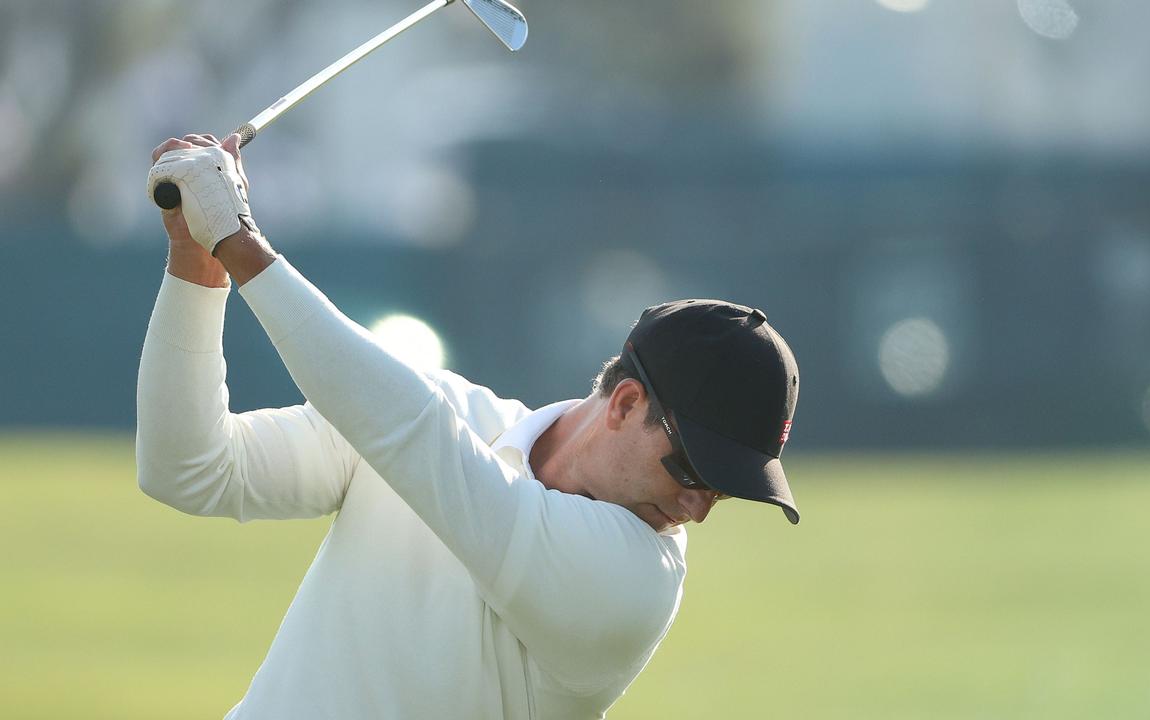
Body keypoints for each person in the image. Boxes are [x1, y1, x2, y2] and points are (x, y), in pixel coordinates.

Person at [137, 132, 800, 719]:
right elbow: (191, 470)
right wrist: (198, 263)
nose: (698, 510)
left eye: (722, 491)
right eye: (692, 471)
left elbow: (417, 439)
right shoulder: (440, 413)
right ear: (625, 405)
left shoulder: (634, 581)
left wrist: (237, 236)